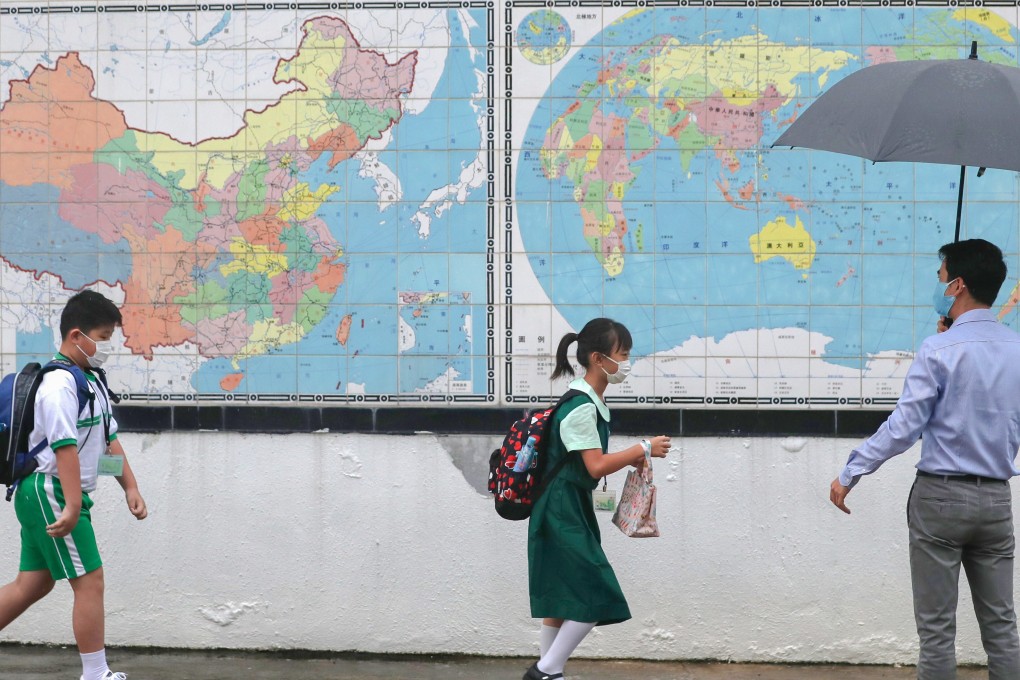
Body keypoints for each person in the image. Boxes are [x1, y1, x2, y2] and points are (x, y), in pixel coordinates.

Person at [829, 239, 1020, 679]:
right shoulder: (1014, 348)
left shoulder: (938, 350)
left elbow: (904, 427)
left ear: (958, 285)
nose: (937, 285)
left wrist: (851, 470)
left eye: (940, 277)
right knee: (1003, 629)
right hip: (995, 500)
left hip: (940, 499)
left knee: (936, 632)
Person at [0, 291, 148, 680]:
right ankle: (95, 674)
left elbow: (106, 440)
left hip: (50, 493)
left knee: (32, 584)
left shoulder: (90, 382)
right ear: (77, 335)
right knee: (90, 582)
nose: (106, 348)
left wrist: (129, 486)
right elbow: (64, 447)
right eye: (102, 337)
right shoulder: (59, 385)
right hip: (52, 491)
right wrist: (70, 506)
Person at [524, 317, 670, 680]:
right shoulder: (580, 408)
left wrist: (634, 454)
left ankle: (550, 674)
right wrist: (643, 447)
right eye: (622, 354)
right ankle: (546, 669)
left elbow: (590, 464)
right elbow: (594, 466)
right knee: (594, 591)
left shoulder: (588, 401)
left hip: (568, 506)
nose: (626, 362)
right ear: (597, 358)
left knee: (560, 595)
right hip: (561, 510)